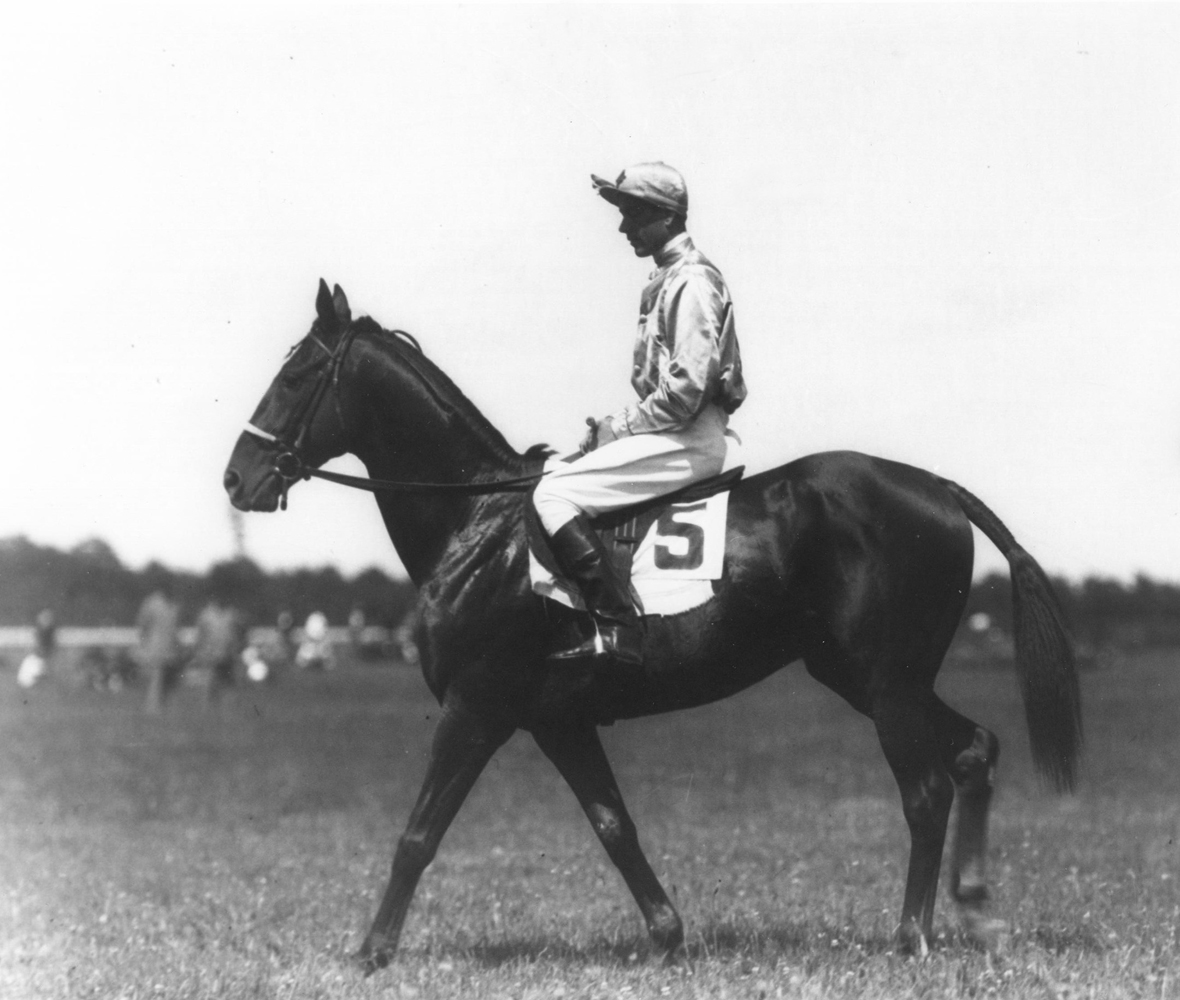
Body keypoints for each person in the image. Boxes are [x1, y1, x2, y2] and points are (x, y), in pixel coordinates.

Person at [532, 162, 747, 667]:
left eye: (633, 215)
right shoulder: (668, 277)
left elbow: (688, 389)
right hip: (676, 431)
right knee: (554, 470)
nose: (624, 227)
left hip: (690, 437)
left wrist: (619, 427)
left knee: (553, 493)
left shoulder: (690, 282)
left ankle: (617, 626)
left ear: (667, 218)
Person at [137, 586, 183, 712]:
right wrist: (144, 643)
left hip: (170, 648)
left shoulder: (174, 605)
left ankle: (165, 707)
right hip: (154, 646)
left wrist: (178, 646)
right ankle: (152, 708)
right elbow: (143, 624)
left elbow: (176, 627)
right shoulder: (151, 603)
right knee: (156, 678)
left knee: (168, 680)